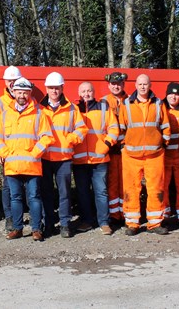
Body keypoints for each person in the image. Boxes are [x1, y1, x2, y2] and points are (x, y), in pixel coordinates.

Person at [0, 77, 54, 241]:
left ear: (30, 93)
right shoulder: (5, 114)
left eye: (25, 92)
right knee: (15, 198)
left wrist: (34, 154)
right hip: (12, 164)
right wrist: (4, 153)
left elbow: (47, 137)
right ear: (13, 92)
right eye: (19, 92)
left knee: (33, 198)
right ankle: (17, 229)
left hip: (32, 165)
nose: (22, 95)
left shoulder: (39, 112)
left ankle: (36, 229)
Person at [119, 74, 171, 236]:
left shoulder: (158, 103)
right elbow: (121, 128)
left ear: (150, 85)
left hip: (154, 155)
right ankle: (132, 223)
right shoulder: (126, 104)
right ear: (135, 85)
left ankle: (155, 222)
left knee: (155, 188)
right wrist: (123, 147)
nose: (142, 87)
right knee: (131, 188)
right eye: (140, 84)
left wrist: (162, 144)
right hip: (131, 155)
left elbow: (166, 127)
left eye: (145, 84)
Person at [39, 72, 88, 238]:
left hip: (64, 158)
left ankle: (65, 224)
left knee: (65, 193)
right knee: (46, 193)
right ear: (46, 88)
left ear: (62, 88)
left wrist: (70, 139)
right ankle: (49, 223)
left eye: (57, 88)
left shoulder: (72, 108)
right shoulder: (39, 109)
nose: (54, 91)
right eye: (51, 88)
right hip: (45, 158)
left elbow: (82, 129)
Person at [73, 82, 119, 235]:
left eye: (89, 91)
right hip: (79, 160)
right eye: (83, 91)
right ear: (79, 93)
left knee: (101, 192)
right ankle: (87, 221)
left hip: (99, 159)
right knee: (83, 192)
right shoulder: (74, 109)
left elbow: (114, 128)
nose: (86, 94)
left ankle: (104, 222)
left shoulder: (104, 107)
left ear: (94, 92)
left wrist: (106, 145)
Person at [0, 65, 23, 231]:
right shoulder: (0, 104)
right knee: (8, 186)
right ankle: (10, 218)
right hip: (8, 153)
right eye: (10, 80)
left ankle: (27, 217)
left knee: (30, 187)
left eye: (15, 80)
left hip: (25, 153)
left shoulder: (28, 100)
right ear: (5, 82)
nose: (12, 83)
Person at [162, 82, 179, 230]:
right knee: (163, 187)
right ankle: (164, 216)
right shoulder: (161, 109)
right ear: (166, 95)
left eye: (177, 94)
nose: (174, 96)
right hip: (165, 157)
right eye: (171, 94)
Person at [102, 71, 128, 226]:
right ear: (109, 85)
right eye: (113, 84)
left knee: (126, 183)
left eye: (118, 84)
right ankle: (113, 214)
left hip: (126, 148)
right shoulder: (103, 102)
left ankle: (127, 213)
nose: (116, 86)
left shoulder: (131, 101)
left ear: (123, 84)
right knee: (111, 183)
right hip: (111, 149)